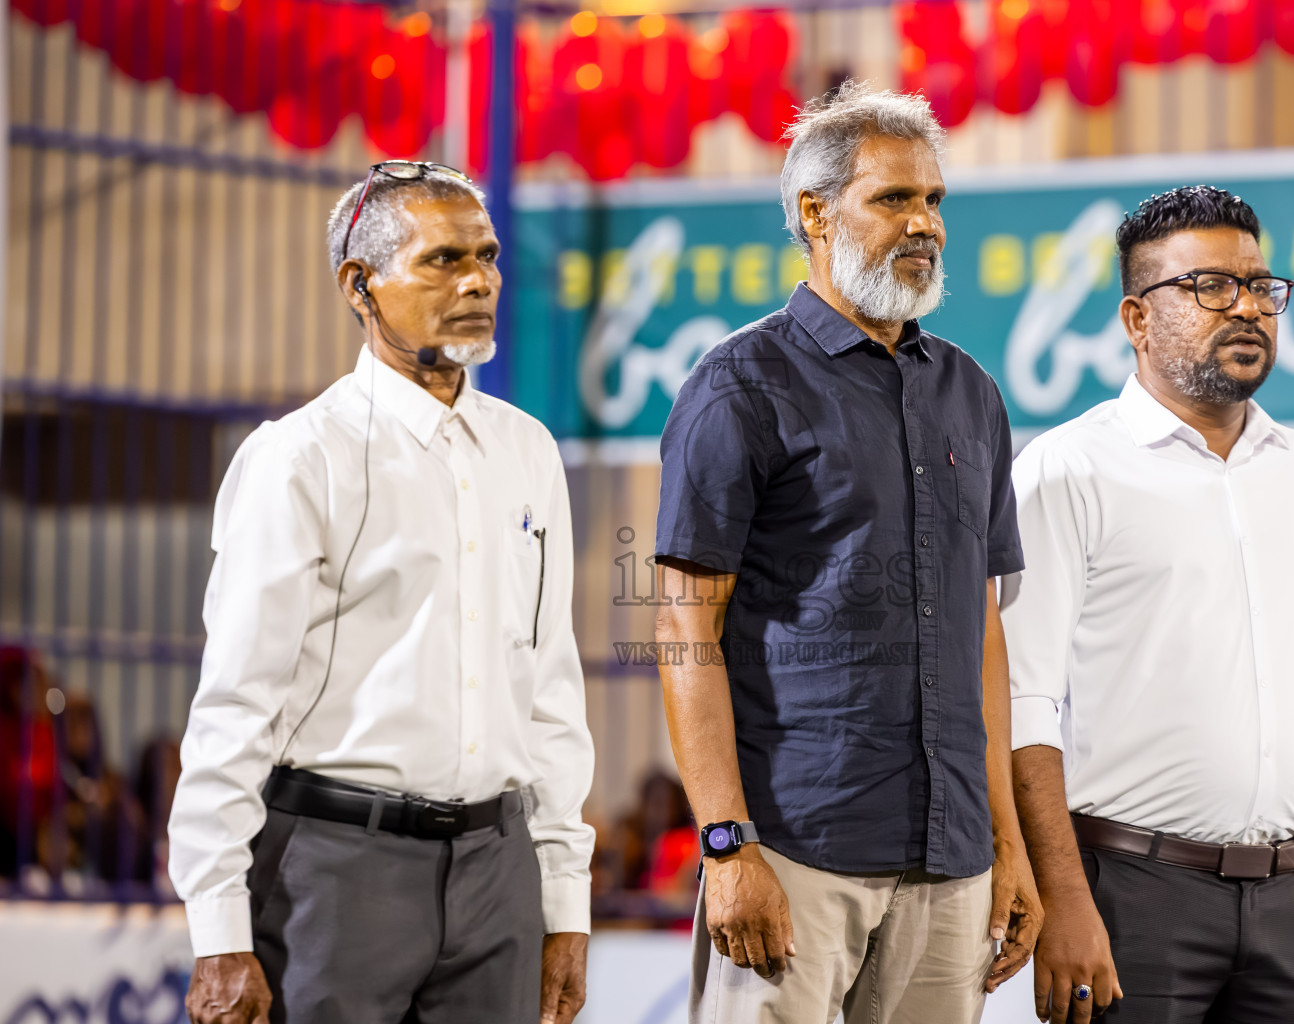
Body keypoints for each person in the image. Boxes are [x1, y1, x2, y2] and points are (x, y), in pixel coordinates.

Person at [168, 163, 594, 1024]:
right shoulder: (299, 459)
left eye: (487, 255)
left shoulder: (527, 451)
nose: (477, 280)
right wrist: (218, 926)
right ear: (359, 287)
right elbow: (236, 702)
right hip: (333, 869)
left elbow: (549, 689)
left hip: (499, 874)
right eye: (441, 260)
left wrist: (564, 902)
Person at [653, 82, 1042, 1024]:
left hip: (950, 863)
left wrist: (1010, 842)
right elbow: (682, 627)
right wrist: (725, 842)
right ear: (815, 215)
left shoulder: (970, 393)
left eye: (935, 201)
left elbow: (978, 629)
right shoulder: (739, 385)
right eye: (895, 199)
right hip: (791, 852)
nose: (926, 225)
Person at [1000, 185, 1294, 1024]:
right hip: (1128, 897)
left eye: (1262, 287)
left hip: (1291, 899)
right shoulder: (1068, 470)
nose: (1248, 309)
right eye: (1210, 287)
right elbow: (1024, 706)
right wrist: (1065, 899)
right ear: (1136, 319)